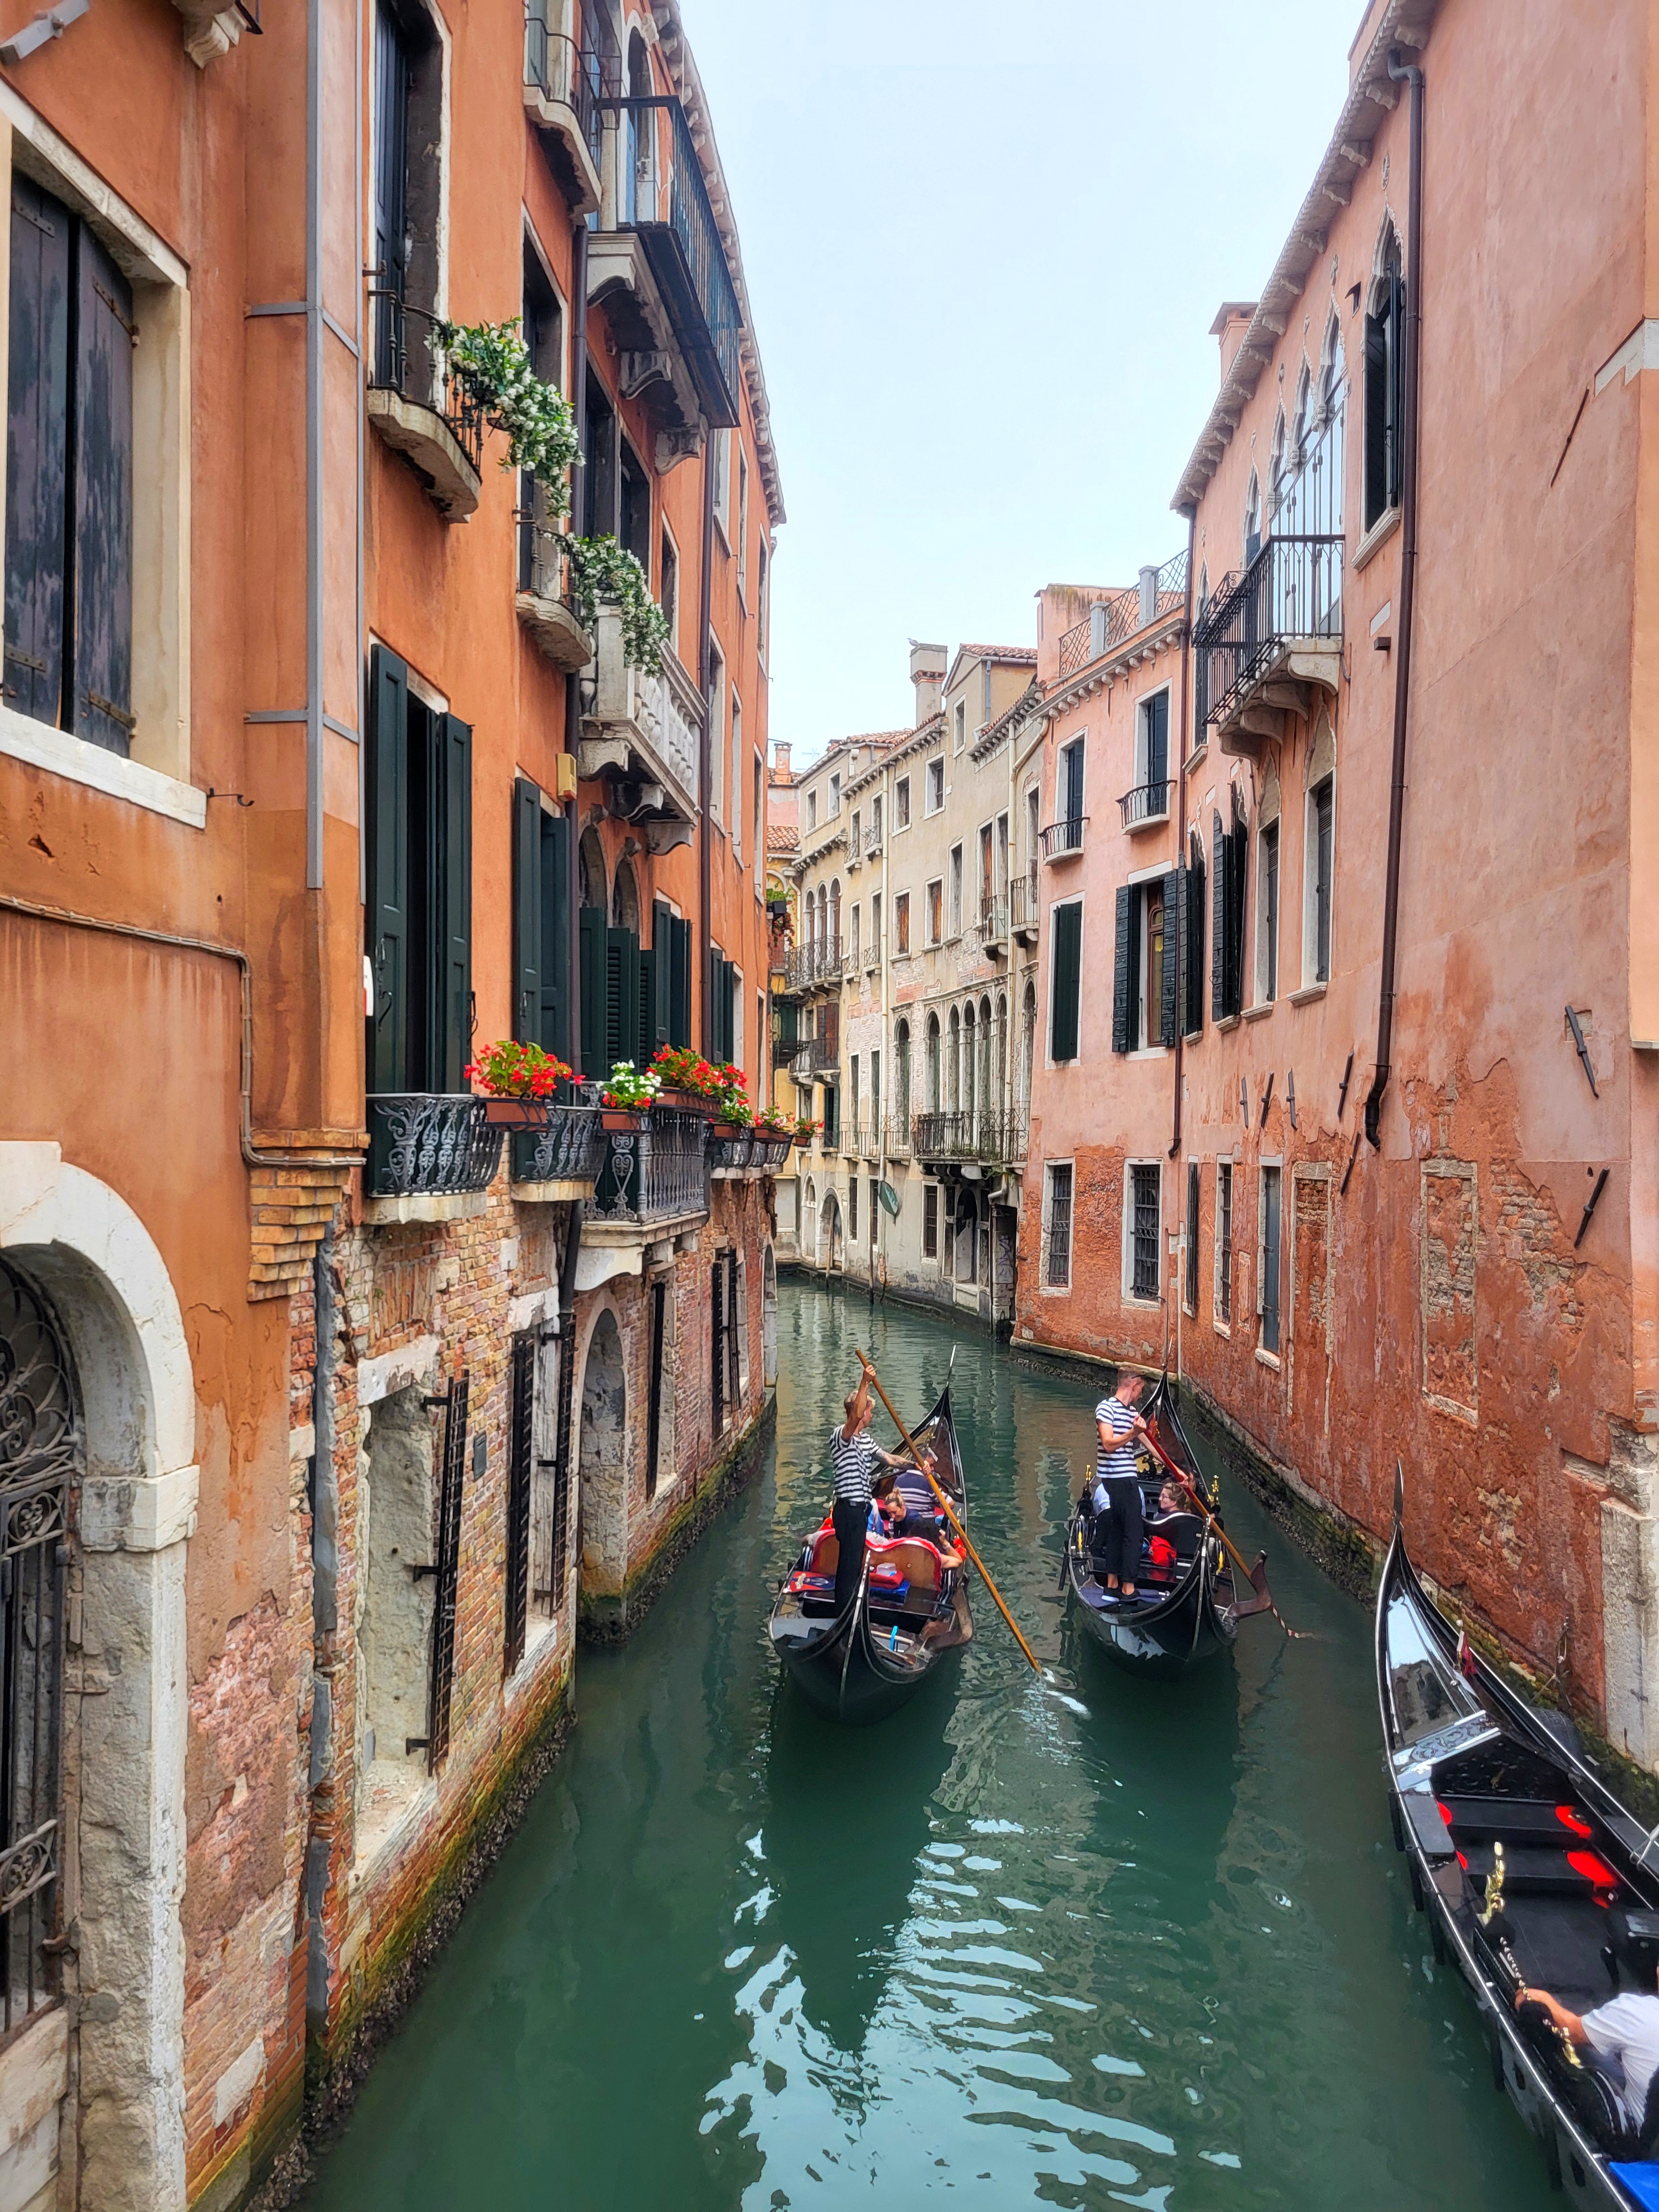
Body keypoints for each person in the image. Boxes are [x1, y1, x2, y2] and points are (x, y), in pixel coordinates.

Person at [1513, 1959, 1659, 2135]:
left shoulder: (1638, 2012)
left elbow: (1571, 2031)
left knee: (1594, 2054)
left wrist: (1543, 1999)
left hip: (1642, 2150)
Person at [830, 1357, 910, 1614]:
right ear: (861, 1411)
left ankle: (849, 1609)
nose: (871, 1414)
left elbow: (891, 1459)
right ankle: (845, 1613)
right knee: (849, 1565)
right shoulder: (841, 1436)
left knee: (853, 1564)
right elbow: (854, 1415)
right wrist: (865, 1382)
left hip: (860, 1512)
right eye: (869, 1410)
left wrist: (916, 1466)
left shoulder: (865, 1441)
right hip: (849, 1510)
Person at [1092, 1373, 1149, 1600]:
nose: (1140, 1395)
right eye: (1141, 1390)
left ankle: (1112, 1584)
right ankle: (1128, 1589)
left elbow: (1149, 1444)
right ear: (1133, 1385)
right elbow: (1108, 1444)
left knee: (1118, 1528)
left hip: (1120, 1478)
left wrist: (1177, 1471)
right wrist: (1133, 1433)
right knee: (1134, 1532)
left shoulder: (1133, 1413)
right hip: (1120, 1477)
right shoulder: (1106, 1408)